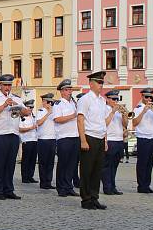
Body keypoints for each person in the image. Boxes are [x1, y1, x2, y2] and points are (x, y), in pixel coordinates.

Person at [0, 75, 31, 200]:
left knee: (10, 164)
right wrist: (4, 105)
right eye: (5, 85)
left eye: (9, 85)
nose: (7, 87)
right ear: (0, 86)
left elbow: (25, 113)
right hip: (0, 134)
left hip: (14, 133)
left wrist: (23, 110)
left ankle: (8, 189)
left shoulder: (16, 98)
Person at [77, 71, 108, 210]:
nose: (101, 85)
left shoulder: (102, 100)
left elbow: (103, 122)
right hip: (89, 136)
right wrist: (83, 140)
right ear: (91, 83)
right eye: (98, 82)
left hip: (100, 137)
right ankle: (86, 199)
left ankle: (94, 197)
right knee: (86, 170)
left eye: (102, 82)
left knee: (97, 170)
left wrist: (105, 140)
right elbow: (80, 119)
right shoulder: (85, 99)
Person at [132, 88, 153, 194]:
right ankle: (141, 186)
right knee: (142, 163)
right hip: (143, 138)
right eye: (147, 97)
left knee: (150, 163)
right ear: (142, 97)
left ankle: (147, 185)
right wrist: (144, 111)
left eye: (151, 97)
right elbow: (135, 122)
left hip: (152, 138)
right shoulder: (138, 108)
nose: (149, 99)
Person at [52, 79, 79, 198]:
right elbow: (57, 119)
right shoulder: (58, 104)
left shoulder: (74, 103)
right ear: (62, 92)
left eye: (70, 89)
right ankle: (61, 187)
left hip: (75, 136)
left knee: (72, 164)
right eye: (67, 90)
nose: (70, 92)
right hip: (64, 138)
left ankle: (69, 187)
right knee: (63, 163)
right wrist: (73, 115)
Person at [101, 90, 126, 195]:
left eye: (117, 99)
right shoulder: (104, 109)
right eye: (113, 99)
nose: (116, 101)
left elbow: (125, 124)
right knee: (107, 166)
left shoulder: (119, 111)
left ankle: (113, 186)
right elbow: (104, 124)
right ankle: (107, 187)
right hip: (110, 140)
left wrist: (124, 115)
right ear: (107, 99)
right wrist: (112, 112)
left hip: (119, 140)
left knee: (115, 166)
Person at [36, 93, 56, 190]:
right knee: (43, 162)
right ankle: (43, 182)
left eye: (50, 102)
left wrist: (52, 111)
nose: (49, 103)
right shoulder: (41, 111)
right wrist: (48, 113)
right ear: (43, 102)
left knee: (50, 162)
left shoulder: (54, 111)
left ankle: (48, 181)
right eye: (47, 101)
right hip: (43, 139)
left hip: (52, 139)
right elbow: (39, 123)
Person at [18, 99, 38, 184]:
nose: (31, 109)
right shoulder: (22, 118)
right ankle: (25, 177)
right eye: (29, 107)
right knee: (26, 160)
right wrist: (30, 128)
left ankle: (30, 176)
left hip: (34, 140)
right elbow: (19, 129)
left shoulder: (33, 117)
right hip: (27, 141)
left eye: (32, 107)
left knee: (33, 160)